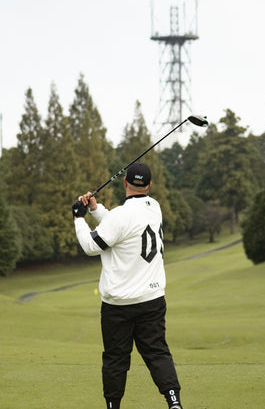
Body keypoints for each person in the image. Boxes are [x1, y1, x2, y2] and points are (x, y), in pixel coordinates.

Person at [73, 162, 183, 409]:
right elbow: (120, 227)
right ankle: (174, 402)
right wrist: (96, 209)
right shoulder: (154, 207)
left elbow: (93, 246)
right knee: (157, 352)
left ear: (125, 183)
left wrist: (79, 217)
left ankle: (113, 407)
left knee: (116, 359)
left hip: (118, 305)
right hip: (153, 300)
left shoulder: (121, 216)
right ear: (149, 186)